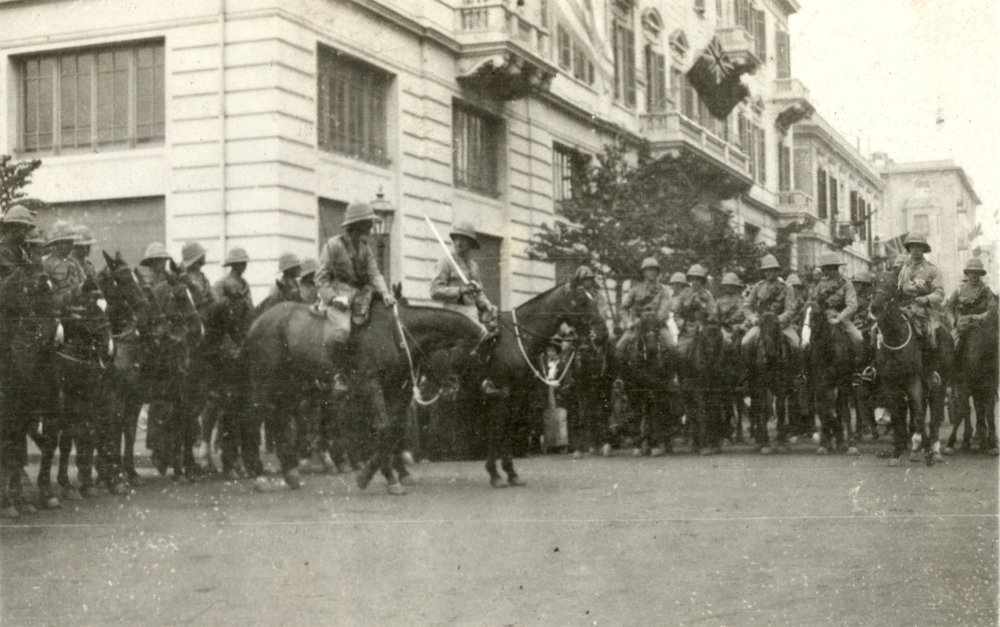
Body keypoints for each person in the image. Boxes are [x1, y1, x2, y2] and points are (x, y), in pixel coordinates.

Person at [316, 201, 395, 342]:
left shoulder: (365, 248)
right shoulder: (333, 245)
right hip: (339, 296)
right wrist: (334, 298)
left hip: (361, 296)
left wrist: (385, 293)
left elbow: (374, 273)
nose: (371, 227)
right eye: (367, 223)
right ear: (357, 225)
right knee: (342, 331)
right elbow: (321, 279)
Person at [429, 221, 498, 333]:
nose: (459, 243)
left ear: (471, 244)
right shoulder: (446, 262)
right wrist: (460, 290)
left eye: (464, 239)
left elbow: (478, 292)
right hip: (452, 315)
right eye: (457, 239)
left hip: (472, 314)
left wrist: (487, 305)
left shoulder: (474, 266)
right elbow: (434, 291)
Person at [896, 234, 944, 382]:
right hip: (903, 307)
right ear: (909, 249)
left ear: (924, 249)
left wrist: (926, 299)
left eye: (919, 247)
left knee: (930, 334)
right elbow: (897, 288)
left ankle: (931, 371)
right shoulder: (903, 268)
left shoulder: (932, 269)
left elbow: (939, 293)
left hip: (924, 310)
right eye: (912, 247)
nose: (915, 250)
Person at [808, 252, 864, 366]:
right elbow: (813, 301)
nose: (825, 272)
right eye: (824, 269)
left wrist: (838, 318)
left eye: (827, 269)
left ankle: (858, 371)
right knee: (805, 341)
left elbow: (852, 305)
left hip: (841, 319)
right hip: (821, 319)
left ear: (834, 268)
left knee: (859, 339)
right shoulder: (820, 284)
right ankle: (804, 373)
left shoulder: (846, 284)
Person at [615, 256, 675, 360]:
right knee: (620, 346)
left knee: (672, 346)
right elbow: (623, 308)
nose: (652, 272)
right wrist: (628, 321)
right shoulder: (636, 289)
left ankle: (673, 375)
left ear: (657, 272)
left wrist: (656, 319)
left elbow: (665, 307)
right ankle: (619, 375)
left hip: (657, 325)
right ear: (643, 272)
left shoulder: (663, 290)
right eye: (649, 270)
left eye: (654, 270)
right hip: (638, 324)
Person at [741, 254, 799, 352]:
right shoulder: (758, 287)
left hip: (781, 325)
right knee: (745, 343)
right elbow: (747, 306)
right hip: (761, 325)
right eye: (765, 270)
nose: (768, 272)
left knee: (796, 346)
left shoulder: (787, 287)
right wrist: (754, 319)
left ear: (776, 270)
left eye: (771, 269)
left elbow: (790, 309)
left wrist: (778, 320)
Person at [946, 257, 997, 352]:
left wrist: (978, 317)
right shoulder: (960, 289)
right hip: (961, 326)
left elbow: (992, 309)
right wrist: (953, 321)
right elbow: (949, 307)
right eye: (971, 272)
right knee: (951, 347)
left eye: (977, 273)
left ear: (980, 274)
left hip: (980, 326)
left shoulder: (986, 291)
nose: (973, 276)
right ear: (968, 274)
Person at [43, 220, 87, 312]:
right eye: (67, 242)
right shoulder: (46, 263)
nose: (71, 245)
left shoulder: (74, 262)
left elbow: (83, 282)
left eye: (71, 241)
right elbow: (46, 292)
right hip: (57, 309)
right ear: (58, 243)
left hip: (76, 307)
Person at [674, 263, 716, 355]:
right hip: (687, 328)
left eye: (698, 279)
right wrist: (681, 323)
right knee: (680, 352)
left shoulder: (708, 295)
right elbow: (676, 312)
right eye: (693, 278)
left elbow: (713, 312)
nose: (695, 281)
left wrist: (706, 319)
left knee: (709, 351)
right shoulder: (684, 294)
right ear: (690, 279)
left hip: (703, 329)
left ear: (702, 280)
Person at [573, 265, 615, 338]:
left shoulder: (597, 294)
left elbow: (602, 311)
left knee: (609, 339)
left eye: (590, 279)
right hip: (577, 327)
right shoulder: (574, 295)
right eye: (586, 279)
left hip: (595, 326)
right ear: (580, 281)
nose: (588, 281)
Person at [0, 205, 36, 281]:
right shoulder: (3, 251)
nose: (25, 235)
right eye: (24, 230)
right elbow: (12, 280)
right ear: (13, 229)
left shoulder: (17, 248)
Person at [715, 272, 747, 342]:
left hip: (737, 327)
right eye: (727, 285)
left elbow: (742, 314)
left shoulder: (741, 300)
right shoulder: (719, 300)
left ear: (736, 286)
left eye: (731, 285)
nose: (729, 287)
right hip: (723, 328)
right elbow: (716, 314)